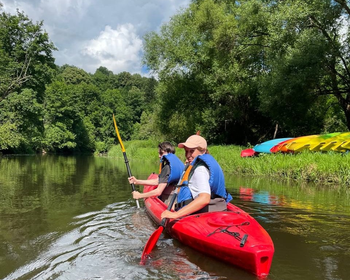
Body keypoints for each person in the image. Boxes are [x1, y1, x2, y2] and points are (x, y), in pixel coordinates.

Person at [161, 135, 232, 219]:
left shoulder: (200, 170)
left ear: (203, 151)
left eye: (192, 151)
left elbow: (204, 199)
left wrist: (176, 214)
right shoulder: (200, 165)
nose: (188, 155)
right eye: (186, 151)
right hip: (218, 209)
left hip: (205, 216)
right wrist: (176, 205)